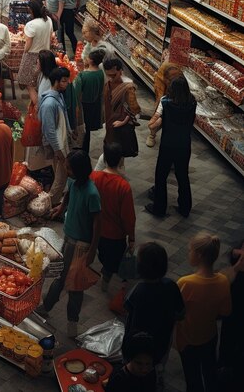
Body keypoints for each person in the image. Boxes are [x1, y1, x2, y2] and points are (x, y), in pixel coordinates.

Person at [38, 150, 101, 338]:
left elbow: (98, 224)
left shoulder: (92, 193)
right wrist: (60, 208)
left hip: (81, 245)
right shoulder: (74, 183)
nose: (66, 169)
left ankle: (71, 320)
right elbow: (68, 195)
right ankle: (46, 306)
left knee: (75, 285)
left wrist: (92, 250)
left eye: (69, 168)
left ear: (79, 170)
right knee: (61, 276)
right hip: (69, 239)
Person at [176, 232, 231, 392]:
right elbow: (226, 312)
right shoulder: (223, 281)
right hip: (210, 336)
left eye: (190, 250)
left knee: (192, 378)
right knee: (209, 372)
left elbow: (177, 312)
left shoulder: (185, 283)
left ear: (199, 255)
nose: (188, 254)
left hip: (187, 340)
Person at [123, 242, 185, 382]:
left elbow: (126, 308)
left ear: (140, 268)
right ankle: (156, 381)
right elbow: (181, 313)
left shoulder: (138, 290)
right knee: (157, 365)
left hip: (136, 341)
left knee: (134, 369)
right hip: (161, 340)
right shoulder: (171, 286)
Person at [146, 76, 197, 218]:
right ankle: (185, 208)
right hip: (184, 144)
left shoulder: (166, 102)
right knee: (182, 176)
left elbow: (156, 120)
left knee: (161, 176)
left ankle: (159, 208)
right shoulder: (192, 102)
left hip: (168, 144)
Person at [91, 142, 136, 293]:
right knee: (114, 260)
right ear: (121, 160)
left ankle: (106, 271)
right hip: (115, 234)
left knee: (103, 253)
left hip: (96, 228)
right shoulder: (123, 186)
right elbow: (128, 216)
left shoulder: (94, 177)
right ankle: (107, 277)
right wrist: (132, 237)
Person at [97, 57, 141, 169]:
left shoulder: (128, 87)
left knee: (116, 155)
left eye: (113, 75)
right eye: (108, 75)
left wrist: (123, 122)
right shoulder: (109, 83)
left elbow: (134, 109)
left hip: (118, 127)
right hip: (110, 123)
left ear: (120, 70)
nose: (110, 78)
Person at [39, 66, 72, 205]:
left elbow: (63, 116)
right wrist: (58, 150)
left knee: (60, 175)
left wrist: (70, 131)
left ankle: (54, 201)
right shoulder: (49, 103)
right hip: (58, 145)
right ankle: (49, 205)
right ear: (56, 82)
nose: (67, 83)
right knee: (61, 177)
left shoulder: (58, 96)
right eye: (64, 81)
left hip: (62, 142)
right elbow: (49, 130)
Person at [218, 243, 244, 391]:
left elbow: (222, 281)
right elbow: (231, 255)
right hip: (232, 316)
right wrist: (235, 253)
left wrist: (236, 267)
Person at [17, 0, 53, 103]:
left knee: (30, 85)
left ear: (32, 10)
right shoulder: (48, 20)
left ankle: (37, 107)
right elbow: (50, 38)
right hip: (46, 55)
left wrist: (23, 50)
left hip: (32, 57)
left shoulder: (31, 24)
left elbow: (28, 46)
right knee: (40, 82)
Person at [74, 48, 106, 153]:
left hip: (84, 105)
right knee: (89, 128)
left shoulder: (83, 75)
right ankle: (86, 147)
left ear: (91, 61)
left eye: (87, 57)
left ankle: (83, 147)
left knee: (84, 126)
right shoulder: (101, 73)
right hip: (96, 104)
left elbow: (77, 92)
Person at [146, 61, 183, 147]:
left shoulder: (180, 80)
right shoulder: (163, 77)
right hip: (164, 82)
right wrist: (156, 119)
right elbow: (161, 99)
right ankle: (152, 135)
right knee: (160, 104)